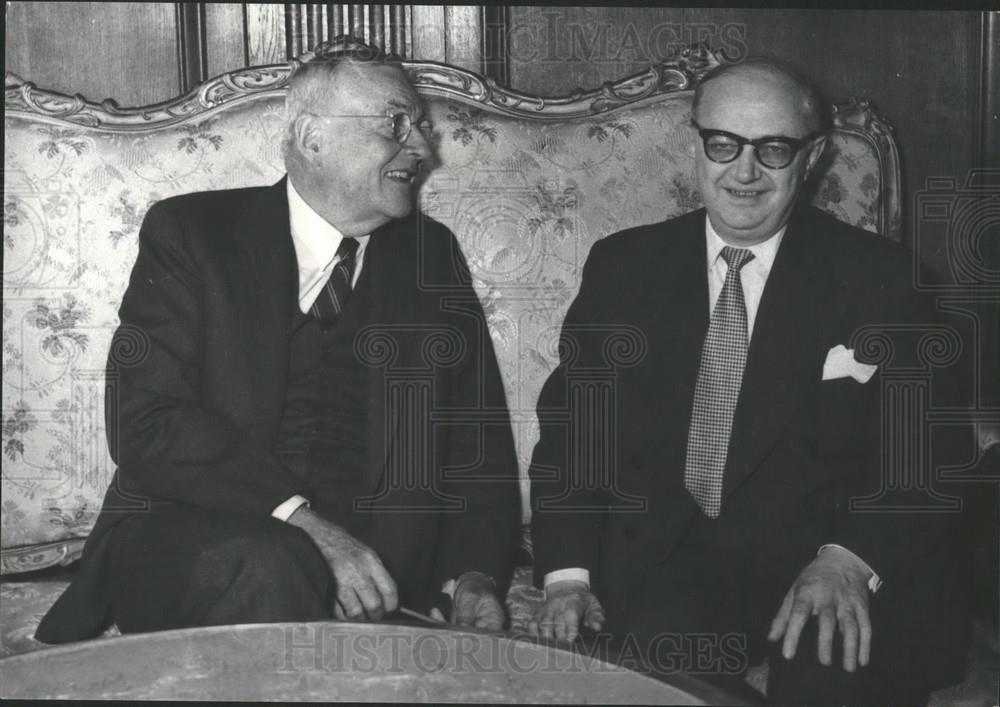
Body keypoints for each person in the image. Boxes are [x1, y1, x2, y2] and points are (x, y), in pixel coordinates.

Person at [36, 37, 520, 642]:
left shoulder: (432, 255)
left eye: (420, 125)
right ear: (312, 138)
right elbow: (147, 422)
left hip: (374, 571)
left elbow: (477, 441)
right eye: (396, 123)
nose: (422, 147)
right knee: (269, 564)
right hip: (194, 537)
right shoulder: (193, 233)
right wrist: (307, 525)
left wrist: (472, 575)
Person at [527, 57, 971, 704]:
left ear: (812, 158)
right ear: (697, 144)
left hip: (828, 557)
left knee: (826, 674)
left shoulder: (882, 277)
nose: (744, 171)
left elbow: (932, 449)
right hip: (676, 566)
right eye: (724, 144)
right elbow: (575, 434)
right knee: (654, 676)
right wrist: (567, 574)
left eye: (774, 150)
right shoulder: (626, 268)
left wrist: (849, 559)